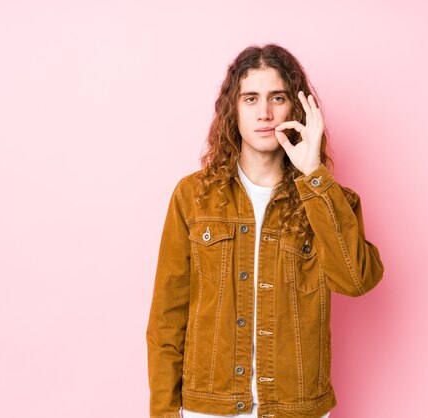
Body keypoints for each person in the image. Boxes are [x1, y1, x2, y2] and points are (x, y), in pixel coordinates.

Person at [146, 43, 385, 418]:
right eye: (250, 98)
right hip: (210, 408)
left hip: (295, 408)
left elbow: (356, 280)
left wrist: (314, 177)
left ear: (298, 109)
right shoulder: (193, 197)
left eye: (278, 97)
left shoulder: (330, 199)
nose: (265, 113)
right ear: (233, 109)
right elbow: (166, 319)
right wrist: (163, 412)